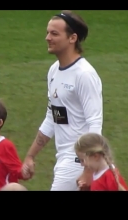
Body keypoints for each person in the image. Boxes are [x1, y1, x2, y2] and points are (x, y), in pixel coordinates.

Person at [22, 10, 103, 190]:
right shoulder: (54, 71)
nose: (47, 38)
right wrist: (31, 155)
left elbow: (95, 124)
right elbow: (53, 117)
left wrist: (88, 169)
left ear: (72, 38)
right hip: (64, 158)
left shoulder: (84, 75)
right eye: (48, 32)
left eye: (54, 33)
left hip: (78, 162)